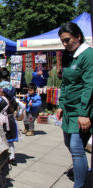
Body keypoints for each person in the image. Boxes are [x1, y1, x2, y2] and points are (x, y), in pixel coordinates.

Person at [57, 22, 93, 188]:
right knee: (68, 144)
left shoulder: (88, 55)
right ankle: (81, 170)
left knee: (77, 148)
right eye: (62, 41)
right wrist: (61, 104)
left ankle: (79, 184)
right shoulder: (69, 56)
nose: (65, 44)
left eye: (67, 40)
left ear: (78, 36)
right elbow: (64, 83)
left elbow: (89, 86)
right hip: (69, 109)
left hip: (82, 110)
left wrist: (84, 113)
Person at [0, 81, 25, 166]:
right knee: (10, 141)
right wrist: (19, 114)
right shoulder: (15, 99)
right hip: (12, 120)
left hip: (1, 121)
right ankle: (12, 158)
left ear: (2, 90)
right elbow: (23, 106)